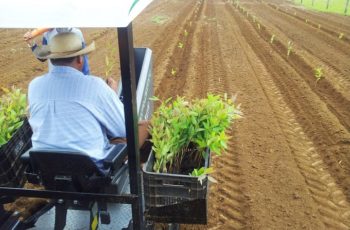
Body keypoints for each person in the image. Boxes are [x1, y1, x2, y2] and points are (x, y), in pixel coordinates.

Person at [28, 32, 149, 172]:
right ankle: (131, 173)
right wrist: (112, 95)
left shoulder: (34, 85)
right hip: (90, 171)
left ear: (51, 60)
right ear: (80, 59)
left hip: (45, 167)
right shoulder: (95, 86)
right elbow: (123, 128)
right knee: (144, 126)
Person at [24, 28, 90, 75]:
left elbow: (84, 61)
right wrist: (31, 43)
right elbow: (43, 57)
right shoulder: (47, 34)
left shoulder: (76, 32)